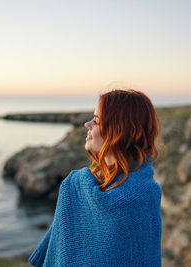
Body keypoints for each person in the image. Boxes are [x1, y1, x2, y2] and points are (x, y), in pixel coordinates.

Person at [29, 89, 162, 267]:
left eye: (97, 121)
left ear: (119, 130)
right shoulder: (76, 186)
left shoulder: (144, 194)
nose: (87, 124)